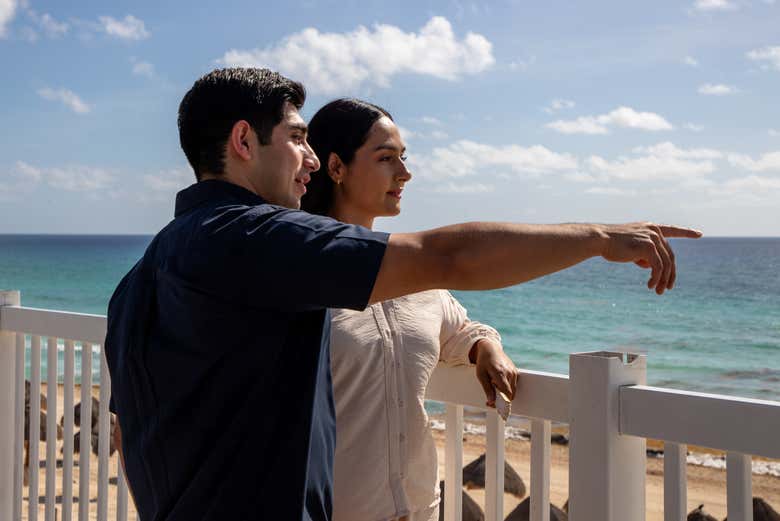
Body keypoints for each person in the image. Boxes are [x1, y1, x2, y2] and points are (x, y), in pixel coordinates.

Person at [105, 67, 701, 521]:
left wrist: (482, 342)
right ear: (243, 140)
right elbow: (447, 257)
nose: (310, 158)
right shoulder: (256, 239)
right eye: (296, 138)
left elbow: (131, 432)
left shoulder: (141, 277)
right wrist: (598, 238)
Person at [301, 98, 519, 521]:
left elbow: (458, 328)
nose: (405, 172)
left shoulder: (414, 273)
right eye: (386, 159)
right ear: (335, 167)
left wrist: (485, 346)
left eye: (404, 158)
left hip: (421, 509)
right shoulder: (299, 271)